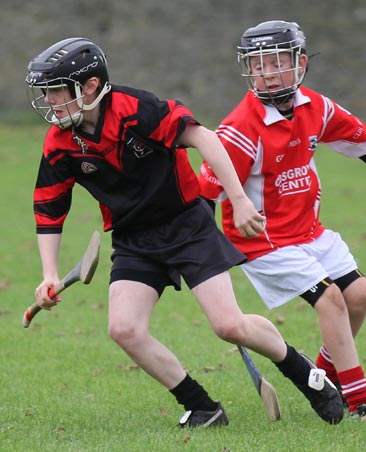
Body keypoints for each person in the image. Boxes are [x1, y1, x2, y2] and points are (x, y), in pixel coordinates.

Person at [25, 37, 345, 427]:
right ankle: (201, 405)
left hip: (187, 226)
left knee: (229, 326)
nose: (51, 102)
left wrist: (240, 199)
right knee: (124, 329)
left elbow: (203, 137)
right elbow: (49, 207)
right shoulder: (61, 142)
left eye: (57, 92)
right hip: (133, 239)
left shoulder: (137, 110)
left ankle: (302, 371)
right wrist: (49, 273)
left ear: (89, 86)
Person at [199, 20, 366, 419]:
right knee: (330, 298)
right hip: (264, 241)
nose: (266, 73)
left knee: (359, 296)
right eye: (257, 65)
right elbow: (206, 195)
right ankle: (360, 401)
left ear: (300, 63)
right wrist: (202, 255)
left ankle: (323, 374)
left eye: (276, 62)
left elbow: (363, 143)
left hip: (309, 232)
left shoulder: (316, 107)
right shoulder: (241, 128)